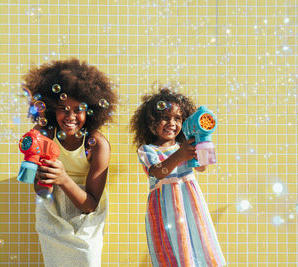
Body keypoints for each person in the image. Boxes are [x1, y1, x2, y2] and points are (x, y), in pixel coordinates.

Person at [21, 58, 118, 266]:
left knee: (87, 258)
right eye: (63, 108)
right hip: (53, 207)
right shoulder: (43, 135)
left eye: (78, 109)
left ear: (90, 111)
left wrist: (63, 178)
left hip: (85, 209)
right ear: (50, 109)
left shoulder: (97, 145)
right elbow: (40, 192)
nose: (70, 116)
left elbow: (91, 205)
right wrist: (39, 174)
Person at [130, 88, 226, 267]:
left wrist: (203, 143)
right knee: (174, 250)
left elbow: (203, 168)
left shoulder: (185, 146)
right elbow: (158, 172)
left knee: (198, 243)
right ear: (151, 121)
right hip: (166, 210)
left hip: (190, 205)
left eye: (177, 118)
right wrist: (180, 155)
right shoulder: (148, 150)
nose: (171, 123)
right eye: (165, 117)